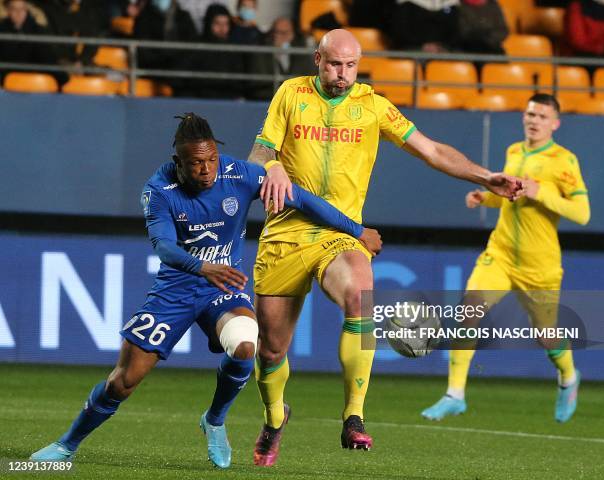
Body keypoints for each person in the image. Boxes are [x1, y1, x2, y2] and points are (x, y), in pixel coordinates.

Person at [29, 113, 381, 469]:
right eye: (196, 163)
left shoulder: (239, 175)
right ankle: (66, 445)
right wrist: (202, 266)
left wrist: (356, 229)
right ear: (177, 163)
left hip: (222, 288)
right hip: (176, 290)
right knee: (123, 381)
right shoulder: (158, 191)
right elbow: (165, 248)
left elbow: (303, 200)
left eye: (211, 159)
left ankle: (214, 420)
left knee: (246, 344)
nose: (206, 169)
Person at [247, 28, 523, 466]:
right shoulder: (290, 94)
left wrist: (485, 177)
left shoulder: (373, 106)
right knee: (271, 350)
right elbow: (257, 157)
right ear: (318, 59)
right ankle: (275, 416)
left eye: (351, 66)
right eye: (335, 64)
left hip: (342, 233)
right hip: (286, 233)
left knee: (361, 292)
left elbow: (431, 150)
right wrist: (274, 165)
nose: (343, 74)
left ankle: (353, 416)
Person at [421, 94, 590, 423]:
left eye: (542, 116)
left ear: (555, 123)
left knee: (546, 334)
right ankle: (454, 394)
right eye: (530, 114)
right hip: (500, 254)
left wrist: (544, 194)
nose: (534, 120)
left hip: (538, 265)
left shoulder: (564, 161)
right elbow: (511, 199)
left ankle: (568, 378)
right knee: (468, 310)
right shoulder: (515, 150)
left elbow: (582, 213)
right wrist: (485, 196)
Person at [0, 0, 67, 86]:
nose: (19, 13)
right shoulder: (2, 30)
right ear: (8, 11)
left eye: (22, 9)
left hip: (36, 83)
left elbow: (47, 57)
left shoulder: (37, 30)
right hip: (6, 82)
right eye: (14, 9)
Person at [248, 16, 314, 100]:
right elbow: (259, 84)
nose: (278, 36)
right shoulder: (262, 52)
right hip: (270, 99)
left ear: (292, 34)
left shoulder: (300, 52)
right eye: (276, 32)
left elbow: (307, 77)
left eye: (283, 33)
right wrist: (276, 56)